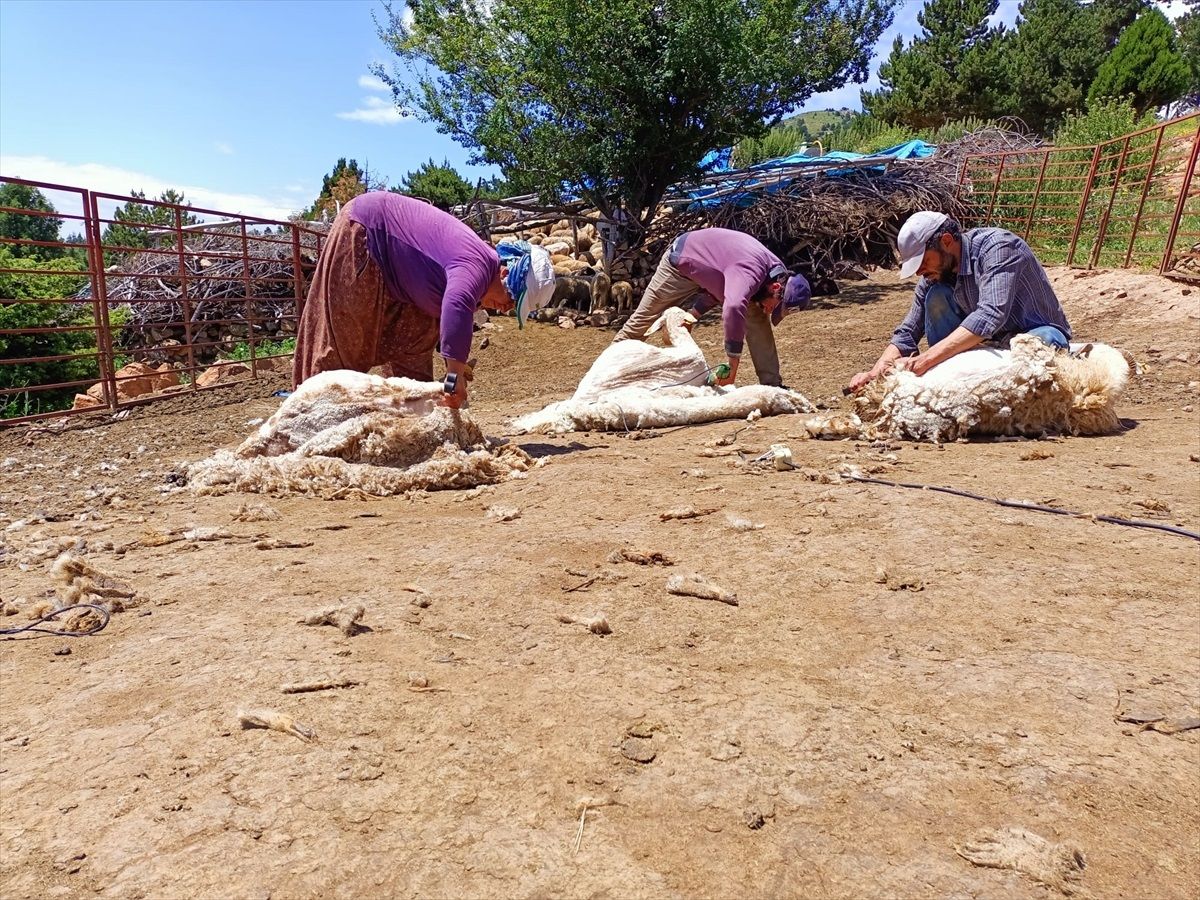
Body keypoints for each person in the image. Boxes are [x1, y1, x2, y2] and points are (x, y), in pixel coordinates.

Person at [293, 192, 554, 408]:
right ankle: (312, 414)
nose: (507, 308)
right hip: (368, 236)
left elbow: (454, 311)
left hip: (404, 284)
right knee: (343, 345)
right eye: (512, 299)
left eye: (513, 308)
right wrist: (455, 375)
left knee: (418, 356)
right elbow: (457, 303)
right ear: (505, 273)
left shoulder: (480, 274)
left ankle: (409, 416)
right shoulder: (479, 264)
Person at [848, 211, 1072, 393]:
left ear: (946, 241)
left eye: (923, 261)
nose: (919, 271)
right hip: (985, 344)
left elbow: (990, 314)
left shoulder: (999, 248)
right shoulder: (935, 274)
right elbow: (908, 332)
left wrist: (925, 359)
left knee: (1043, 341)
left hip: (1033, 331)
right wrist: (875, 373)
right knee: (936, 297)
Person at [613, 228, 811, 387]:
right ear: (776, 288)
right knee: (643, 320)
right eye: (774, 307)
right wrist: (732, 366)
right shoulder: (751, 271)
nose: (770, 311)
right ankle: (606, 372)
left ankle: (772, 386)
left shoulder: (775, 273)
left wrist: (693, 315)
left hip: (708, 268)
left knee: (756, 315)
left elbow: (720, 282)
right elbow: (732, 306)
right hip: (680, 264)